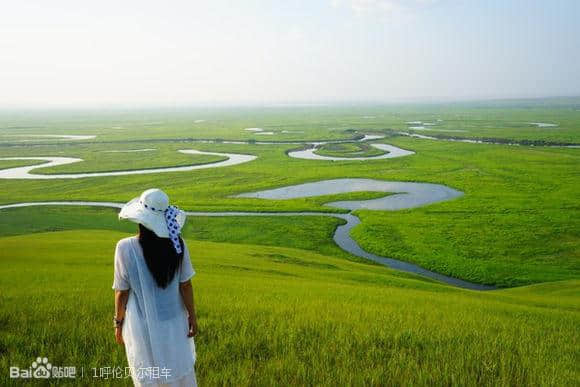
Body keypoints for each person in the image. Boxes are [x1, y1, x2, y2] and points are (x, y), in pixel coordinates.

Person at [112, 188, 198, 386]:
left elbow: (121, 292)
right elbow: (185, 285)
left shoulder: (125, 247)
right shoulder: (178, 244)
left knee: (149, 375)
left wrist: (118, 323)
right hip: (174, 321)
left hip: (141, 325)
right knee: (177, 370)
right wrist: (192, 317)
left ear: (141, 219)